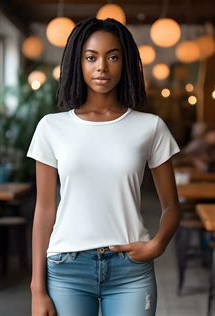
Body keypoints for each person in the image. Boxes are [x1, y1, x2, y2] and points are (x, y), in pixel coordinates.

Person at [27, 18, 181, 316]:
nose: (102, 67)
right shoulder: (51, 127)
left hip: (130, 271)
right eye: (91, 57)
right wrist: (37, 289)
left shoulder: (150, 127)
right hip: (67, 269)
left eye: (113, 57)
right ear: (78, 62)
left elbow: (172, 207)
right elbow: (44, 209)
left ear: (125, 63)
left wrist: (157, 245)